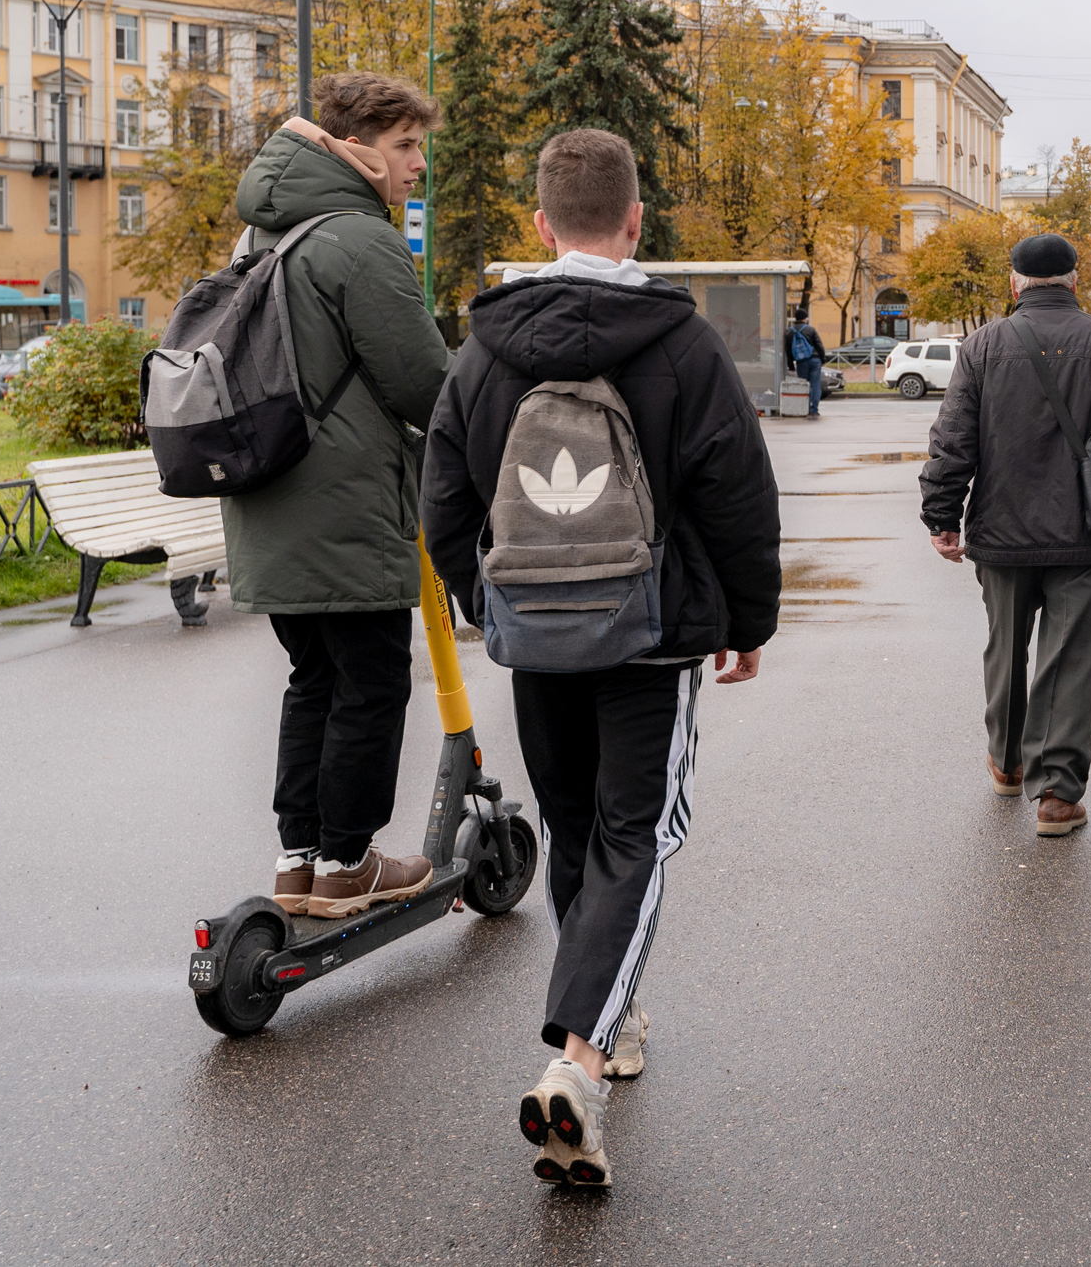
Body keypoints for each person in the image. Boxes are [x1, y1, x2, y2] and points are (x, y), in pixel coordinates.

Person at [421, 128, 781, 1188]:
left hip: (534, 634)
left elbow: (443, 496)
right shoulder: (681, 343)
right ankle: (578, 1055)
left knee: (575, 822)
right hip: (650, 631)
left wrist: (487, 598)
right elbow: (737, 493)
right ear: (636, 221)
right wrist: (744, 619)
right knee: (639, 830)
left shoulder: (485, 347)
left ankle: (606, 1026)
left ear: (540, 224)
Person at [227, 73, 452, 921]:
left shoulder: (262, 235)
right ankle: (350, 862)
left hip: (269, 497)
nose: (416, 165)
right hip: (347, 503)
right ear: (356, 151)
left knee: (312, 680)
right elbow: (423, 382)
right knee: (369, 683)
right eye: (404, 147)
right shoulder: (360, 240)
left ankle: (301, 861)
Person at [920, 233, 1091, 836]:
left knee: (1004, 648)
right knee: (1070, 660)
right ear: (1074, 281)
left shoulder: (982, 346)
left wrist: (941, 516)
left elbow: (952, 440)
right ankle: (1057, 795)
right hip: (1087, 532)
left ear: (1015, 283)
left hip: (1000, 532)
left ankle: (1007, 763)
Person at [788, 309, 827, 417]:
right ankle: (814, 410)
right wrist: (823, 359)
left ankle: (804, 408)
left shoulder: (789, 332)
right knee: (815, 385)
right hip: (815, 359)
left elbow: (788, 350)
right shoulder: (811, 329)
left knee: (804, 385)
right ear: (805, 318)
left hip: (801, 361)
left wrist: (791, 365)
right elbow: (819, 345)